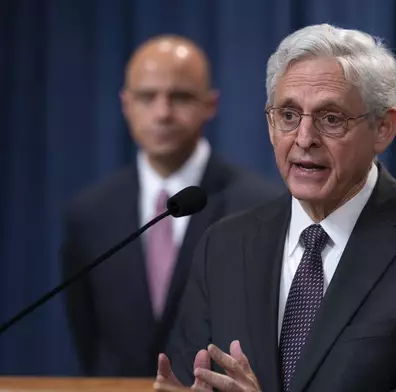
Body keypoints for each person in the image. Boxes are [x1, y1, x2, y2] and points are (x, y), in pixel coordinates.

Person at [154, 24, 396, 392]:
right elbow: (191, 376)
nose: (304, 138)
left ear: (383, 128)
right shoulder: (224, 245)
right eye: (288, 115)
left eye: (331, 119)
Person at [60, 35, 283, 377]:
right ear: (125, 104)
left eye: (180, 97)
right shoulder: (89, 213)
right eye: (147, 97)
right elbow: (87, 335)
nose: (162, 113)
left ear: (211, 104)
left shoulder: (260, 205)